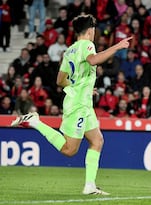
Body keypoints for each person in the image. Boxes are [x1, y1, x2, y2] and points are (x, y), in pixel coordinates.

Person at [10, 14, 133, 195]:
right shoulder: (87, 45)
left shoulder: (70, 50)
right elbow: (93, 60)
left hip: (82, 102)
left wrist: (81, 88)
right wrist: (117, 46)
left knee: (97, 141)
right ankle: (35, 122)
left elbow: (60, 80)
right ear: (90, 30)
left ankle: (89, 185)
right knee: (69, 150)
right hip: (78, 105)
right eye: (94, 29)